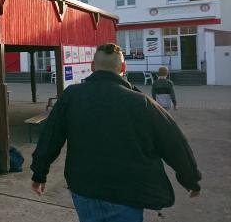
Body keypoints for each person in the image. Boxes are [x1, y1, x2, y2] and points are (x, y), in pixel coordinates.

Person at [30, 43, 201, 222]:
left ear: (92, 67)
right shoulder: (142, 103)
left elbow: (50, 138)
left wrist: (39, 174)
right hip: (128, 193)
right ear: (123, 67)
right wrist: (190, 180)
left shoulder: (71, 96)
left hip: (84, 188)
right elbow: (174, 143)